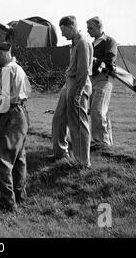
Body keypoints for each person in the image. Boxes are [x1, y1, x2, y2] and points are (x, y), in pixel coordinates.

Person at [0, 41, 31, 212]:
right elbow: (28, 91)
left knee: (2, 161)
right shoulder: (19, 68)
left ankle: (7, 204)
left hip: (10, 115)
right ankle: (20, 196)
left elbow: (3, 98)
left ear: (3, 53)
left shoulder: (7, 69)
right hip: (22, 113)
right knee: (19, 159)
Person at [51, 16, 93, 168]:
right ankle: (60, 152)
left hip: (78, 84)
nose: (62, 35)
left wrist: (78, 93)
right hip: (69, 83)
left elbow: (83, 72)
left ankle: (83, 162)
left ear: (71, 27)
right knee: (58, 118)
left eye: (63, 31)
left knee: (78, 124)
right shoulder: (75, 42)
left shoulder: (82, 42)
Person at [86, 16, 117, 148]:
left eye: (90, 28)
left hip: (105, 79)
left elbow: (109, 61)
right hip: (92, 79)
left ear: (99, 26)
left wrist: (92, 60)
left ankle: (101, 143)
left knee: (97, 110)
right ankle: (106, 142)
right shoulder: (91, 44)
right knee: (100, 111)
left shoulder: (110, 41)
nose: (88, 31)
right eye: (87, 28)